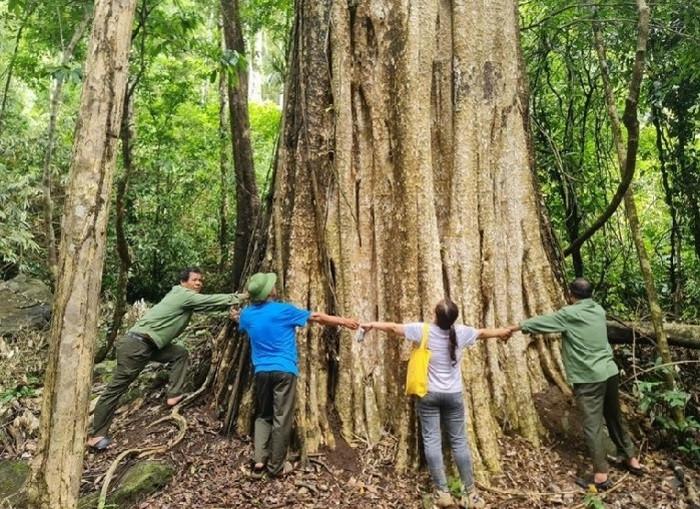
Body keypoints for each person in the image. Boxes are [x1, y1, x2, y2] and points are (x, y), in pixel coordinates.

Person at [361, 299, 511, 509]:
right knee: (459, 441)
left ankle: (443, 493)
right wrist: (504, 331)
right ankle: (471, 495)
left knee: (432, 440)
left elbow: (394, 328)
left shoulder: (422, 331)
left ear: (435, 315)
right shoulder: (462, 333)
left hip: (428, 393)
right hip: (454, 395)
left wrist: (371, 325)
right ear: (454, 319)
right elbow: (484, 333)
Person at [87, 267, 246, 450]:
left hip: (150, 345)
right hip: (137, 345)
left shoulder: (185, 299)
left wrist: (229, 314)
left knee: (179, 353)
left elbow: (207, 308)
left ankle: (174, 395)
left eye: (201, 281)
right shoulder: (183, 295)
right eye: (195, 280)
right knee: (115, 390)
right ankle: (96, 436)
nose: (199, 283)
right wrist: (242, 296)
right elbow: (208, 301)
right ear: (183, 281)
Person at [507, 277, 643, 490]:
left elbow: (543, 322)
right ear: (591, 294)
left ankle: (600, 475)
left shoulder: (569, 314)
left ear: (571, 295)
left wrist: (516, 327)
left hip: (589, 377)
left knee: (593, 426)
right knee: (614, 416)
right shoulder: (598, 310)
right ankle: (631, 459)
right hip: (610, 372)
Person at [238, 272, 359, 478]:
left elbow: (241, 325)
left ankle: (259, 460)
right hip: (284, 371)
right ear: (269, 292)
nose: (275, 286)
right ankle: (276, 467)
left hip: (261, 372)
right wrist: (344, 321)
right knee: (281, 418)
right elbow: (318, 317)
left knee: (263, 415)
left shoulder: (247, 315)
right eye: (272, 285)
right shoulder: (283, 311)